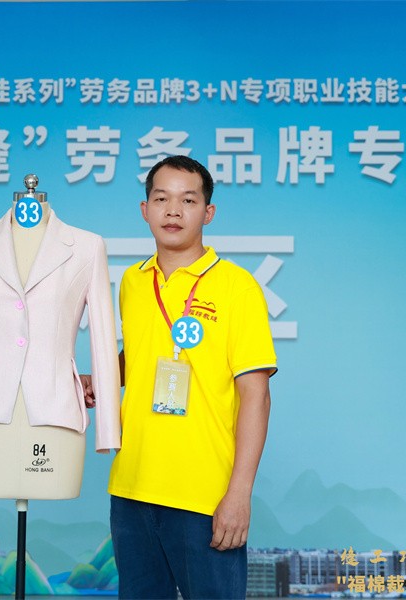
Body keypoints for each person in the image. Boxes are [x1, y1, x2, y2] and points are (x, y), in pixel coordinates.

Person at [92, 155, 277, 599]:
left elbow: (256, 394)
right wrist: (99, 377)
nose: (173, 211)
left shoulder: (237, 286)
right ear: (145, 209)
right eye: (162, 199)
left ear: (208, 213)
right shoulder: (133, 282)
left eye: (188, 200)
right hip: (132, 489)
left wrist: (239, 494)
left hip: (204, 495)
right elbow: (140, 352)